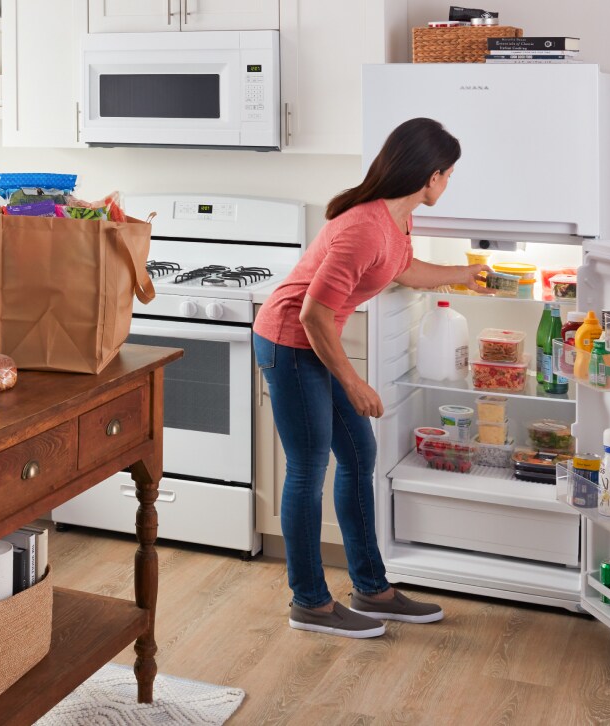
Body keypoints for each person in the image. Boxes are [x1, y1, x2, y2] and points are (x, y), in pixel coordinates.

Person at [253, 117, 491, 639]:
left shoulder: (397, 220)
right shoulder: (364, 227)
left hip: (315, 342)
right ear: (430, 176)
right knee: (308, 468)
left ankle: (371, 588)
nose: (448, 184)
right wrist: (355, 384)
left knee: (358, 454)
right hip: (289, 343)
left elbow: (402, 269)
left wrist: (462, 275)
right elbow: (313, 315)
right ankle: (310, 603)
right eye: (448, 174)